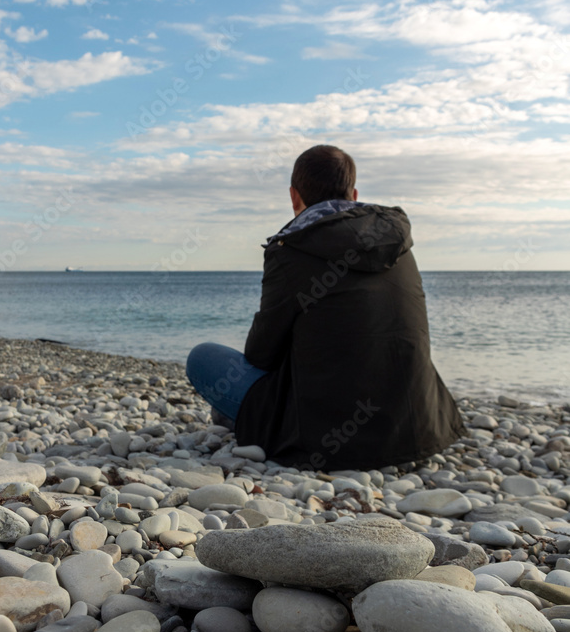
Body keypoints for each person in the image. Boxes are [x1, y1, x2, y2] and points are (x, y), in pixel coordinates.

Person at [186, 144, 463, 471]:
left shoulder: (291, 250)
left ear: (294, 196)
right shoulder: (396, 243)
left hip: (325, 440)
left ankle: (248, 424)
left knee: (203, 358)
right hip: (416, 430)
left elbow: (261, 354)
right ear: (354, 194)